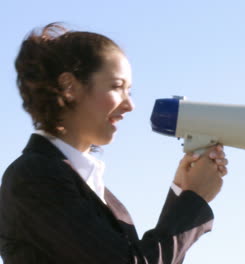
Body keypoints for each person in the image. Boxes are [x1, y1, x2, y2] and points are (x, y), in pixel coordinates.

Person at [0, 22, 228, 264]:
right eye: (117, 87)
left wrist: (180, 192)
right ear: (69, 87)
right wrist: (193, 200)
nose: (130, 105)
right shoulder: (34, 176)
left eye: (130, 91)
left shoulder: (93, 190)